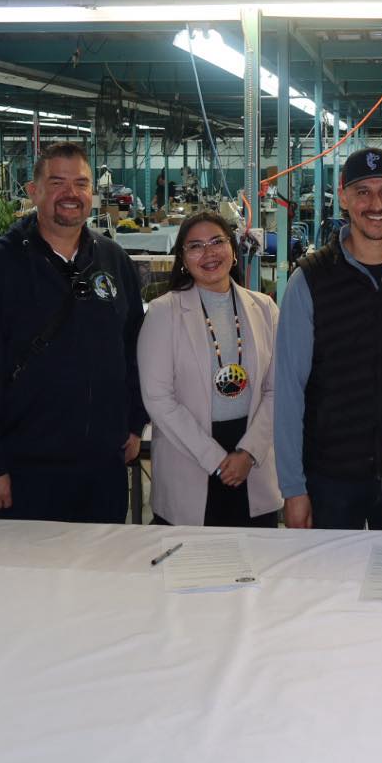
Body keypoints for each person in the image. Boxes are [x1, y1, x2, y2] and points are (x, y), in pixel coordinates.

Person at [0, 141, 145, 523]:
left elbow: (134, 349)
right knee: (26, 563)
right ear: (34, 191)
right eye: (57, 182)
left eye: (81, 183)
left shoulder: (112, 260)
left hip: (102, 468)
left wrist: (133, 423)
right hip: (26, 469)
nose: (70, 193)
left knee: (102, 560)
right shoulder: (0, 265)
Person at [274, 147, 382, 530]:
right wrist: (292, 487)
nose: (376, 204)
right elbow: (287, 391)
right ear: (343, 196)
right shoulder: (310, 281)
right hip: (329, 477)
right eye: (362, 192)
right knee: (330, 570)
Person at [138, 211, 280, 527]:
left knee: (257, 553)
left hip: (252, 456)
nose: (209, 253)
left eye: (217, 241)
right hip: (190, 454)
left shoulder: (264, 308)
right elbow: (157, 398)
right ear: (182, 259)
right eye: (195, 246)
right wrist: (215, 459)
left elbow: (278, 390)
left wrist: (248, 453)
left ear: (233, 249)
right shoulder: (163, 312)